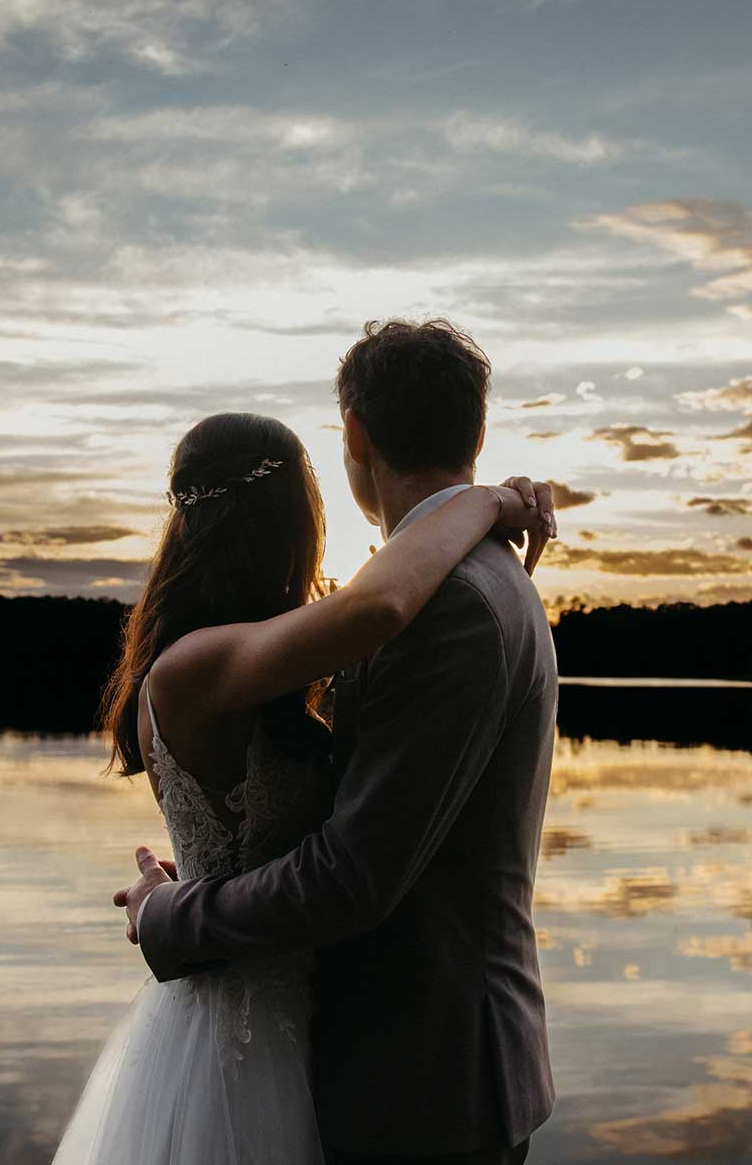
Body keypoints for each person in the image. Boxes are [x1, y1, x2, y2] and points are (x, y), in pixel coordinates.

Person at [103, 320, 559, 1164]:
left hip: (425, 1076)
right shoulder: (449, 582)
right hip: (335, 1059)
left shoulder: (448, 599)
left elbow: (352, 872)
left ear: (354, 432)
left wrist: (179, 912)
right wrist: (490, 499)